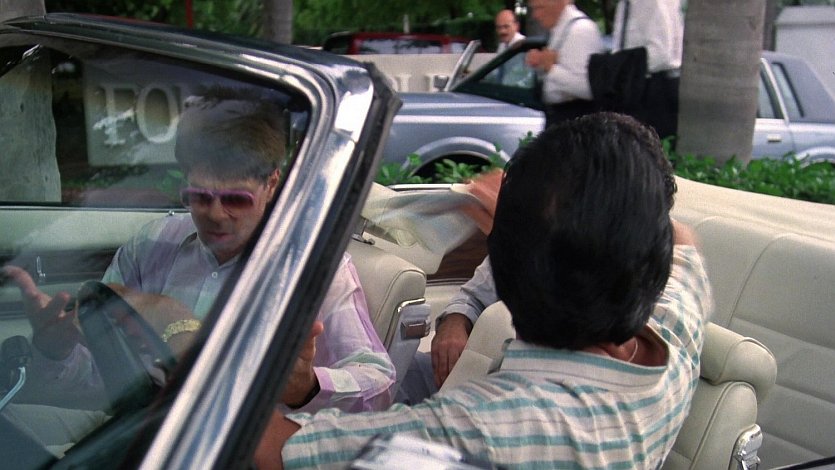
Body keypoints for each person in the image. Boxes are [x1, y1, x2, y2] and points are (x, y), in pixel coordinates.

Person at [253, 112, 713, 469]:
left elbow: (279, 452)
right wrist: (535, 227)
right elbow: (683, 242)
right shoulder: (673, 337)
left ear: (500, 267)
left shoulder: (482, 430)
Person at [2, 86, 395, 414]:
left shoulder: (313, 269)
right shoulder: (150, 246)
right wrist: (57, 351)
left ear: (272, 184)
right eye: (200, 197)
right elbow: (106, 379)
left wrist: (307, 387)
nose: (216, 215)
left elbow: (379, 386)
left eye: (236, 199)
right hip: (142, 433)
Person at [611, 0, 684, 139]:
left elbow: (661, 54)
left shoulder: (651, 3)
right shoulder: (625, 4)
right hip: (632, 86)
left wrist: (622, 66)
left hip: (655, 91)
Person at [525, 0, 604, 128]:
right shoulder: (560, 30)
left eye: (540, 8)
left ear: (558, 3)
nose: (535, 15)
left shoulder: (580, 31)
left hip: (575, 121)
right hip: (559, 118)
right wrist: (541, 63)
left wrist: (550, 68)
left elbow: (587, 87)